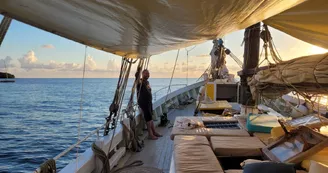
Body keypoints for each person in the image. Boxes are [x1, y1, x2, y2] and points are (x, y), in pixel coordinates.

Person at [136, 69, 162, 140]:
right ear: (142, 74)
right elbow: (137, 80)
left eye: (148, 74)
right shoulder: (140, 82)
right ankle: (150, 134)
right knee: (148, 119)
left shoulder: (147, 82)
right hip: (143, 103)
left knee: (151, 118)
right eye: (146, 74)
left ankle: (154, 132)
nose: (148, 75)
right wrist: (138, 73)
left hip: (149, 102)